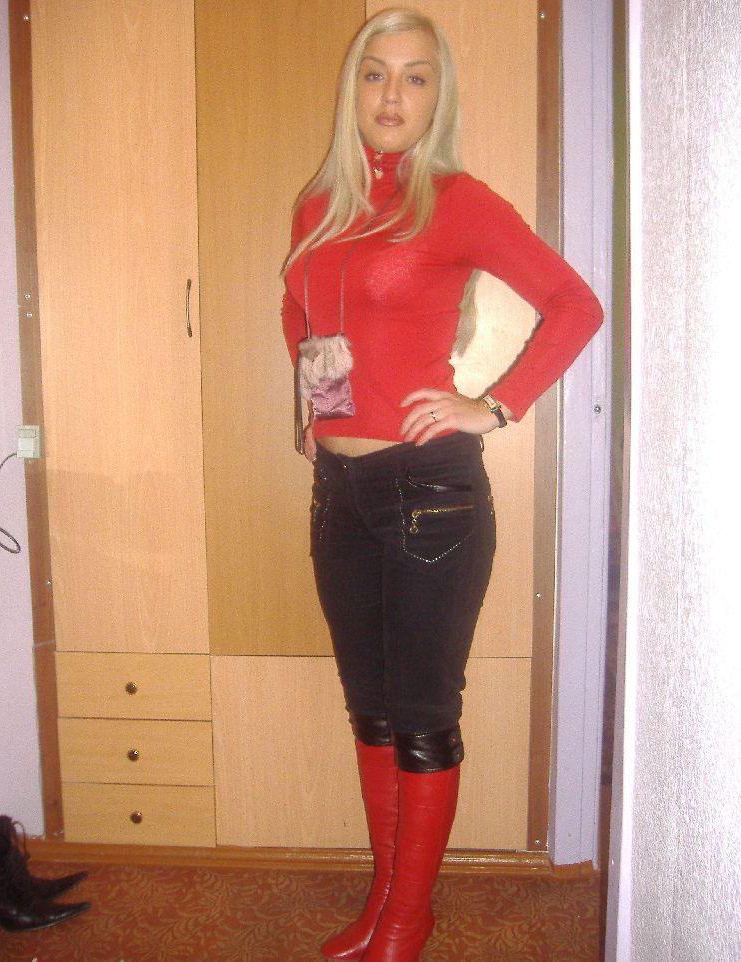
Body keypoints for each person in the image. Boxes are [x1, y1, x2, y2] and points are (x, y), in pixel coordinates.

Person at [281, 9, 603, 961]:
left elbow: (575, 305)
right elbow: (298, 312)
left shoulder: (456, 201)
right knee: (370, 709)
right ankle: (386, 901)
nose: (393, 94)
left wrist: (493, 405)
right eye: (376, 73)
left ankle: (408, 921)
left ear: (437, 97)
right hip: (339, 495)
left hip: (429, 492)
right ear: (353, 89)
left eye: (415, 77)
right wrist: (322, 404)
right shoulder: (318, 207)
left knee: (422, 713)